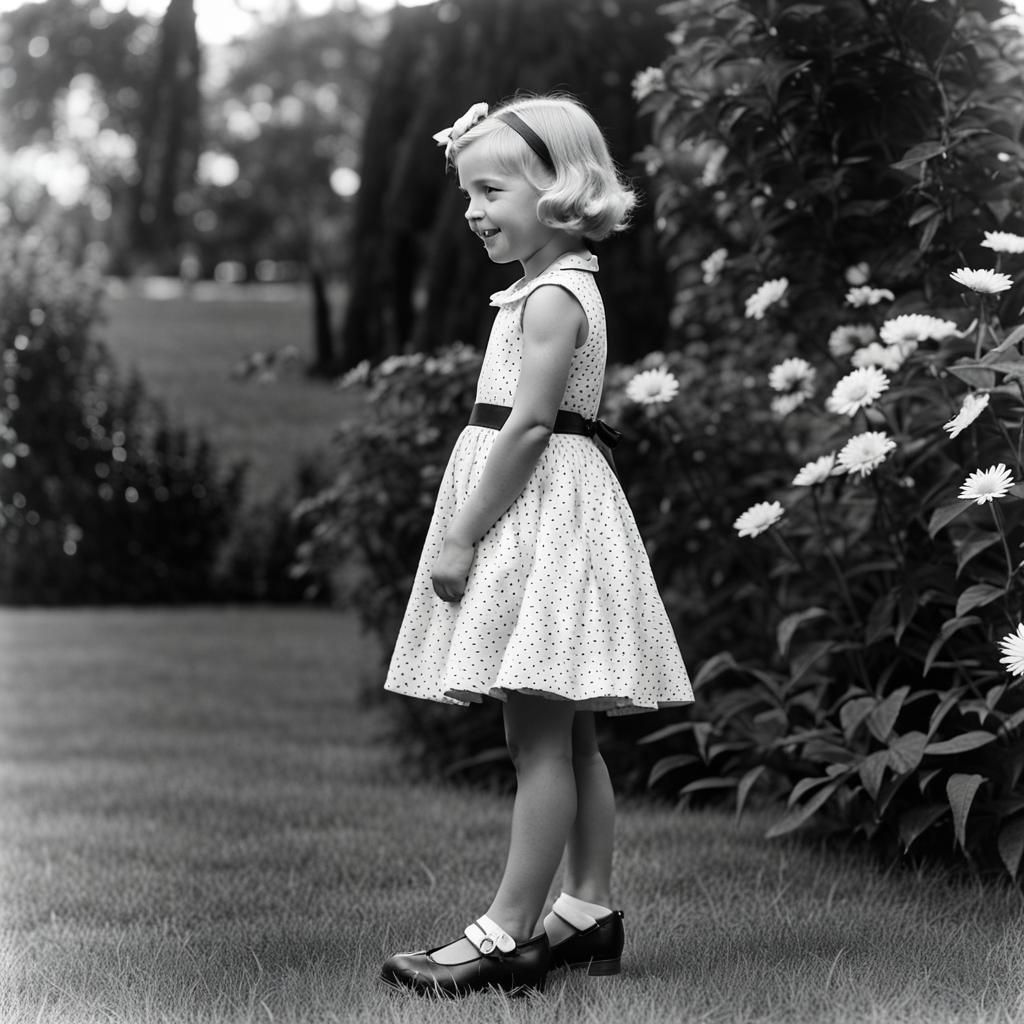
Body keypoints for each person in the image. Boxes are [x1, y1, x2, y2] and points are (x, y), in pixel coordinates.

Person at [379, 94, 693, 998]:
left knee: (539, 743)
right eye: (467, 193)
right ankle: (587, 910)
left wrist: (461, 535)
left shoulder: (555, 298)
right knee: (575, 738)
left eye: (491, 190)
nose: (475, 211)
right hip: (557, 509)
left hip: (539, 515)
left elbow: (526, 429)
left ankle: (507, 933)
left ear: (560, 188)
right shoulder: (549, 286)